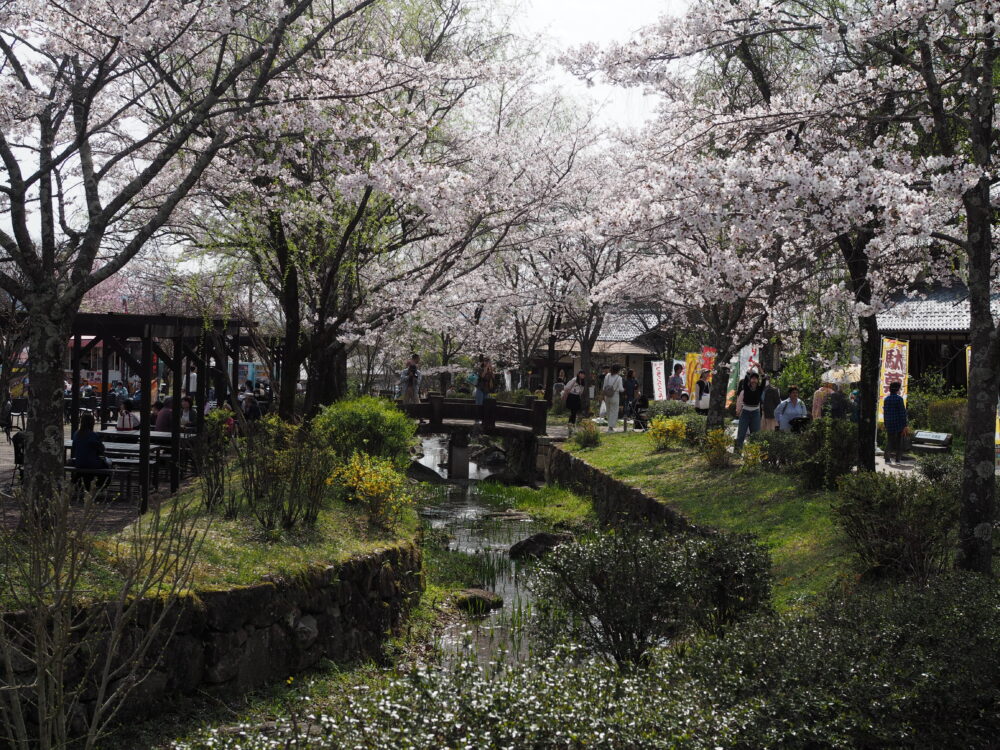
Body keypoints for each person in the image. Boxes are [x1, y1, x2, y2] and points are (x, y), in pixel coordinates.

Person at [71, 413, 110, 488]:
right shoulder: (93, 435)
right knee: (107, 464)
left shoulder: (76, 434)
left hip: (79, 463)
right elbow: (101, 450)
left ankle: (82, 482)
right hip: (92, 463)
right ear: (92, 423)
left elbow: (74, 447)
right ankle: (99, 486)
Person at [735, 371, 764, 449]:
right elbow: (745, 378)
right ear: (750, 380)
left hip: (755, 413)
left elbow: (764, 379)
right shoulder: (746, 388)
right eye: (752, 378)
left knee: (755, 435)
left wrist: (760, 369)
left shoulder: (760, 389)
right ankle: (737, 454)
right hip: (745, 412)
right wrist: (749, 371)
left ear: (758, 380)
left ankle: (754, 454)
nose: (754, 380)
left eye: (756, 379)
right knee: (741, 434)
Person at [883, 381, 908, 464]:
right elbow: (902, 412)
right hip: (899, 423)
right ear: (898, 389)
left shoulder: (886, 399)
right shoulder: (899, 399)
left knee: (890, 441)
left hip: (889, 423)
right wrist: (905, 425)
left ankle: (887, 459)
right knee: (899, 441)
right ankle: (897, 460)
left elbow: (885, 412)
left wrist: (885, 423)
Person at [602, 364, 625, 432]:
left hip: (607, 396)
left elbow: (604, 387)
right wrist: (624, 390)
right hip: (615, 395)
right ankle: (611, 427)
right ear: (618, 370)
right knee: (614, 411)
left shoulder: (607, 376)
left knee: (608, 411)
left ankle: (609, 426)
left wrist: (603, 395)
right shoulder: (619, 378)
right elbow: (621, 389)